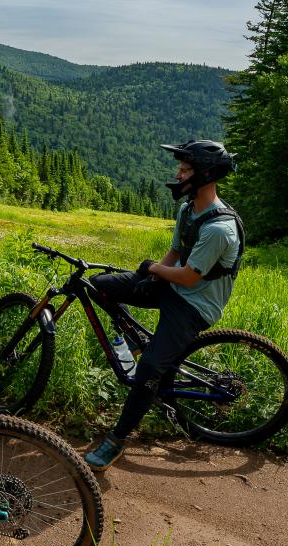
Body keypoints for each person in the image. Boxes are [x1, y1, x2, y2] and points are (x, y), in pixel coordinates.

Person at [83, 140, 243, 472]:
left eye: (185, 169)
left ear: (205, 175)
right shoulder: (188, 210)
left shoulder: (218, 228)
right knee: (98, 286)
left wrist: (153, 270)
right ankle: (132, 341)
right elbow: (175, 254)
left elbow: (187, 277)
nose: (178, 173)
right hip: (173, 285)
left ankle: (116, 440)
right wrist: (150, 275)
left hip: (194, 305)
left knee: (149, 372)